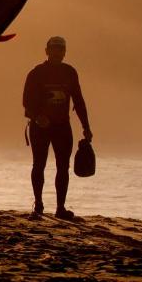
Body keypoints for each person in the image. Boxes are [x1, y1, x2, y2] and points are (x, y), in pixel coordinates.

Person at [23, 36, 92, 219]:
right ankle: (38, 204)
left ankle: (60, 208)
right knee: (39, 165)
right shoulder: (36, 73)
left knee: (63, 167)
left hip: (62, 126)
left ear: (65, 52)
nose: (57, 52)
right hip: (40, 127)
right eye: (54, 48)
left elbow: (78, 101)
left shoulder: (70, 72)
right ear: (46, 50)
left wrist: (86, 126)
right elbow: (26, 103)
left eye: (61, 49)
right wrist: (38, 117)